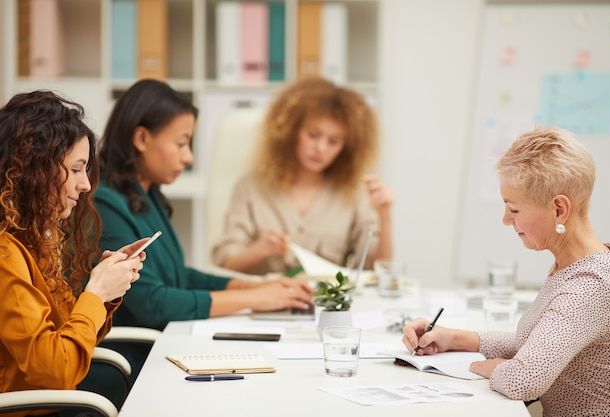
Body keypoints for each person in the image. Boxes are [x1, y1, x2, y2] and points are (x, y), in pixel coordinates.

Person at [402, 126, 610, 416]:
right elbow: (537, 343)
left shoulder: (590, 284)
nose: (506, 220)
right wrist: (454, 338)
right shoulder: (576, 265)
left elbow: (524, 379)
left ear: (559, 209)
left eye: (514, 209)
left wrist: (492, 367)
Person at [95, 78, 313, 334]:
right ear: (142, 138)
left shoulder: (145, 195)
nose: (188, 157)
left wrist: (258, 287)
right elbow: (152, 303)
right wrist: (256, 299)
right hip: (140, 358)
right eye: (181, 143)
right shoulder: (105, 205)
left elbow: (179, 278)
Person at [0, 90, 147, 413]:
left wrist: (105, 296)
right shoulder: (5, 255)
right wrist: (95, 293)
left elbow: (71, 341)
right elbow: (57, 369)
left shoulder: (34, 242)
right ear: (36, 169)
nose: (86, 185)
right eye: (77, 168)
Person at [212, 77, 394, 275]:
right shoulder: (250, 187)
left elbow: (377, 269)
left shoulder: (353, 193)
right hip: (264, 301)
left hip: (327, 303)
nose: (321, 148)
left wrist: (385, 216)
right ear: (290, 131)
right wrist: (260, 249)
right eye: (313, 135)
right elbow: (226, 266)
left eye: (333, 141)